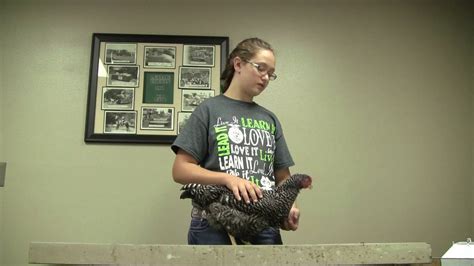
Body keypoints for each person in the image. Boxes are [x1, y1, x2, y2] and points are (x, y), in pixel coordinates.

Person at [171, 37, 298, 245]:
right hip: (213, 226)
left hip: (263, 226)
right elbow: (180, 170)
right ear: (238, 64)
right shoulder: (208, 110)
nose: (266, 77)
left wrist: (288, 206)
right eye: (261, 68)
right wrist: (228, 179)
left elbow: (283, 178)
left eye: (271, 74)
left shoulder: (270, 119)